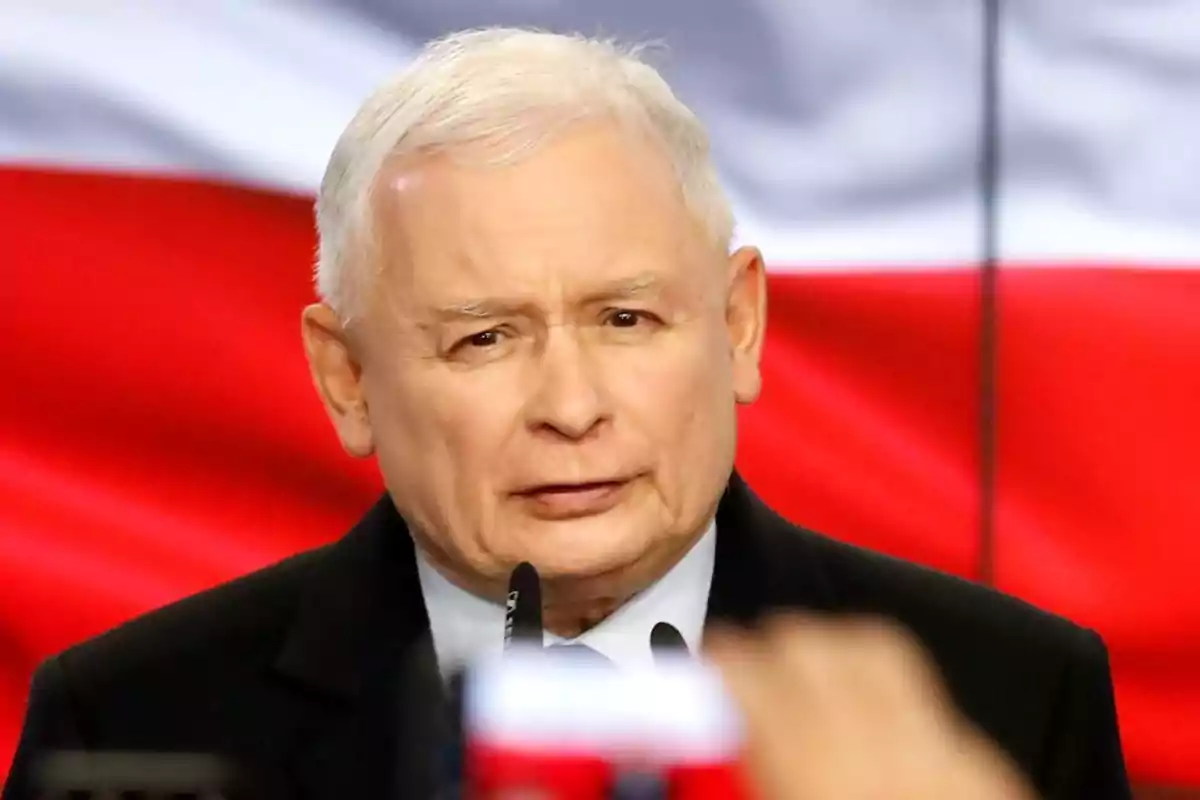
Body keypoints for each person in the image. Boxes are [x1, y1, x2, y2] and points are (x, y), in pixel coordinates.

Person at [4, 27, 1130, 800]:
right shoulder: (133, 714)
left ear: (738, 325)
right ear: (347, 378)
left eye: (628, 320)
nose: (572, 406)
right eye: (484, 337)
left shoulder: (1004, 694)